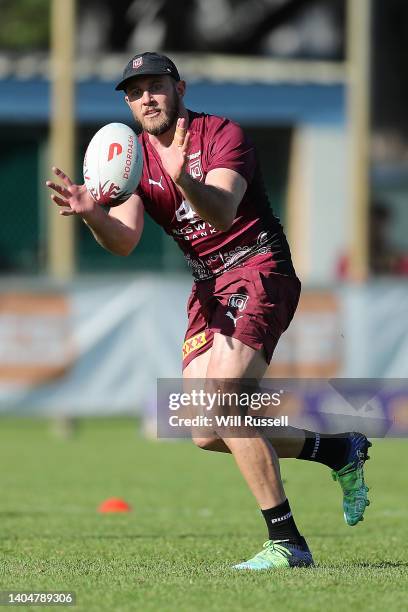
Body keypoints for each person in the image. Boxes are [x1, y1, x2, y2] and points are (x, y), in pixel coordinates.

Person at [46, 52, 371, 570]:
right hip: (209, 288)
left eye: (155, 86)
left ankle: (288, 543)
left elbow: (220, 211)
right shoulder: (136, 156)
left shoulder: (222, 135)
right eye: (135, 92)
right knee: (204, 430)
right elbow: (125, 241)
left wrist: (186, 181)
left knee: (223, 398)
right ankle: (337, 451)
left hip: (258, 268)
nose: (145, 98)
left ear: (180, 89)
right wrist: (91, 216)